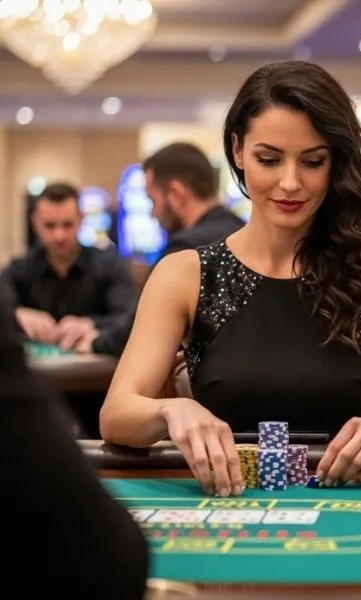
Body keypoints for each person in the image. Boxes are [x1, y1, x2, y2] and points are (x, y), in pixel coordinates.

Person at [99, 60, 361, 497]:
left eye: (312, 161)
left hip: (351, 509)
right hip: (225, 505)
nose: (290, 182)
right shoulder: (184, 273)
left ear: (336, 162)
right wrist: (170, 411)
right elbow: (116, 414)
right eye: (269, 159)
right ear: (238, 152)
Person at [0, 286, 149, 597]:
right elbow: (110, 558)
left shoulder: (105, 265)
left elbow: (125, 319)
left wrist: (94, 327)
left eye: (66, 230)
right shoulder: (22, 270)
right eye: (50, 230)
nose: (58, 234)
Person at [86, 142, 245, 356]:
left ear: (176, 194)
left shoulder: (184, 249)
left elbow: (137, 331)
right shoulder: (244, 232)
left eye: (153, 200)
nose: (152, 213)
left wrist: (94, 342)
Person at [0, 183, 135, 352]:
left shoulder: (110, 264)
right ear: (35, 223)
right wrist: (17, 315)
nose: (59, 236)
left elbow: (129, 317)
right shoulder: (19, 268)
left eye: (67, 225)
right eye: (50, 225)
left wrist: (91, 323)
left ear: (81, 219)